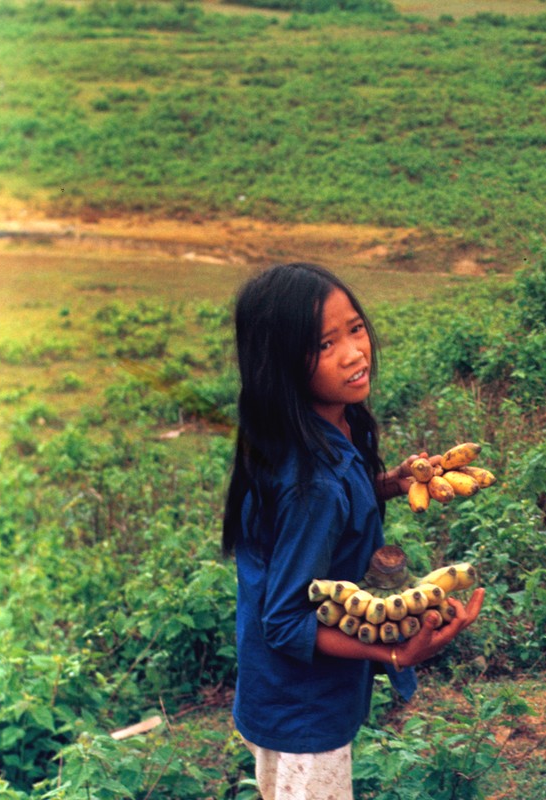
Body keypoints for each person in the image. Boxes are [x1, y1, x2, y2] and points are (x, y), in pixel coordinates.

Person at [221, 262, 484, 799]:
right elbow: (285, 620)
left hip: (294, 696)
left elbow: (340, 496)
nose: (354, 352)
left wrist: (389, 483)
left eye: (355, 328)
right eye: (324, 344)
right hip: (300, 713)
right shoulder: (312, 483)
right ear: (282, 365)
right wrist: (392, 654)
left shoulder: (323, 426)